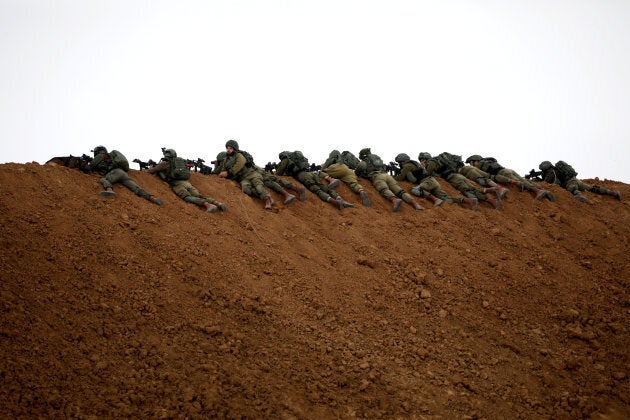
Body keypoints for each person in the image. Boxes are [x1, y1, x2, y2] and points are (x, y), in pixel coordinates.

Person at [148, 148, 226, 213]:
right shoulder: (178, 162)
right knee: (198, 195)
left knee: (187, 197)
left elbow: (150, 171)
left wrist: (151, 167)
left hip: (177, 184)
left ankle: (207, 205)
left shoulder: (164, 163)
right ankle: (218, 203)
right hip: (187, 183)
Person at [83, 145, 163, 205]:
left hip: (114, 173)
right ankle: (153, 198)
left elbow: (91, 166)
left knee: (103, 179)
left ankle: (109, 190)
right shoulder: (110, 156)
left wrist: (86, 165)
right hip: (123, 173)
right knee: (136, 188)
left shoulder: (101, 155)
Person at [275, 151, 354, 210]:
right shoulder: (296, 156)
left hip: (302, 175)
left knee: (317, 190)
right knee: (326, 188)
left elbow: (279, 172)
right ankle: (341, 200)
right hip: (311, 173)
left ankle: (334, 202)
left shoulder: (286, 159)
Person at [421, 151, 500, 210]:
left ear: (425, 160)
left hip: (452, 178)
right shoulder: (439, 160)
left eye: (422, 160)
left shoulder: (430, 163)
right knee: (473, 189)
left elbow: (428, 174)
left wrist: (424, 167)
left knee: (468, 192)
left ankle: (490, 196)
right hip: (458, 175)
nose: (421, 162)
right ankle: (492, 195)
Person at [355, 148, 424, 212]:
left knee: (384, 189)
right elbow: (385, 167)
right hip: (388, 176)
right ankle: (416, 204)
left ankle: (395, 200)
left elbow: (357, 172)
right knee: (400, 191)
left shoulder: (364, 162)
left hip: (377, 176)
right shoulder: (378, 158)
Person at [465, 155, 555, 201]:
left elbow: (484, 175)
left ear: (475, 161)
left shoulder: (480, 164)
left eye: (472, 163)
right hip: (507, 170)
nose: (471, 165)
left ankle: (538, 191)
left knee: (521, 181)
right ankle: (544, 190)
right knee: (523, 180)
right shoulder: (488, 160)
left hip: (502, 173)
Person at [219, 139, 274, 210]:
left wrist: (228, 172)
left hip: (251, 174)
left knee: (259, 187)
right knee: (246, 189)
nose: (228, 150)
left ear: (234, 149)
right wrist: (221, 173)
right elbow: (223, 169)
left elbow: (240, 163)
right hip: (242, 179)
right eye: (227, 148)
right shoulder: (226, 159)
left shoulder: (239, 155)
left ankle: (267, 201)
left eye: (230, 148)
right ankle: (267, 196)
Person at [539, 160, 621, 202]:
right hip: (576, 180)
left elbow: (546, 182)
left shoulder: (551, 171)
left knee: (572, 189)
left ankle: (580, 196)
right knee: (592, 188)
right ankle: (613, 193)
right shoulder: (557, 170)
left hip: (570, 182)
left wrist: (539, 180)